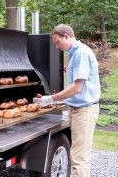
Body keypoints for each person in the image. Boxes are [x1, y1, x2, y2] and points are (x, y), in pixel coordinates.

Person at [34, 24, 100, 177]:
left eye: (58, 42)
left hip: (84, 112)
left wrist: (51, 99)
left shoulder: (80, 53)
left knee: (79, 159)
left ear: (67, 36)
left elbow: (77, 88)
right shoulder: (74, 53)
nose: (57, 47)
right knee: (79, 155)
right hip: (78, 110)